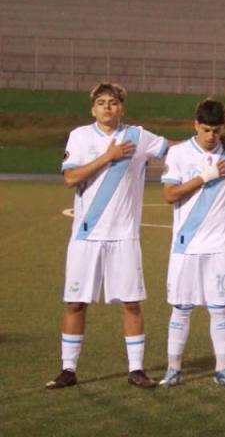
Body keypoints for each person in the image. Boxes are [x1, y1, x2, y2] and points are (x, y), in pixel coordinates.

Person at [48, 82, 170, 389]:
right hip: (86, 236)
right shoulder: (80, 136)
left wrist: (215, 144)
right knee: (76, 302)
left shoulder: (138, 136)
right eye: (101, 102)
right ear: (93, 109)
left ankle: (137, 369)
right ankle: (68, 369)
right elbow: (70, 178)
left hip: (123, 236)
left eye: (113, 103)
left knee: (131, 302)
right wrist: (108, 156)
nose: (107, 107)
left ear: (121, 108)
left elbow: (175, 149)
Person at [159, 98, 225, 388]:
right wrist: (204, 177)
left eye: (216, 130)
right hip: (186, 246)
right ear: (195, 125)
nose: (211, 136)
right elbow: (170, 194)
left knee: (218, 308)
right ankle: (173, 369)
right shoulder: (179, 154)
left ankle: (222, 369)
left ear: (223, 128)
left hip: (220, 246)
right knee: (182, 308)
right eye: (206, 130)